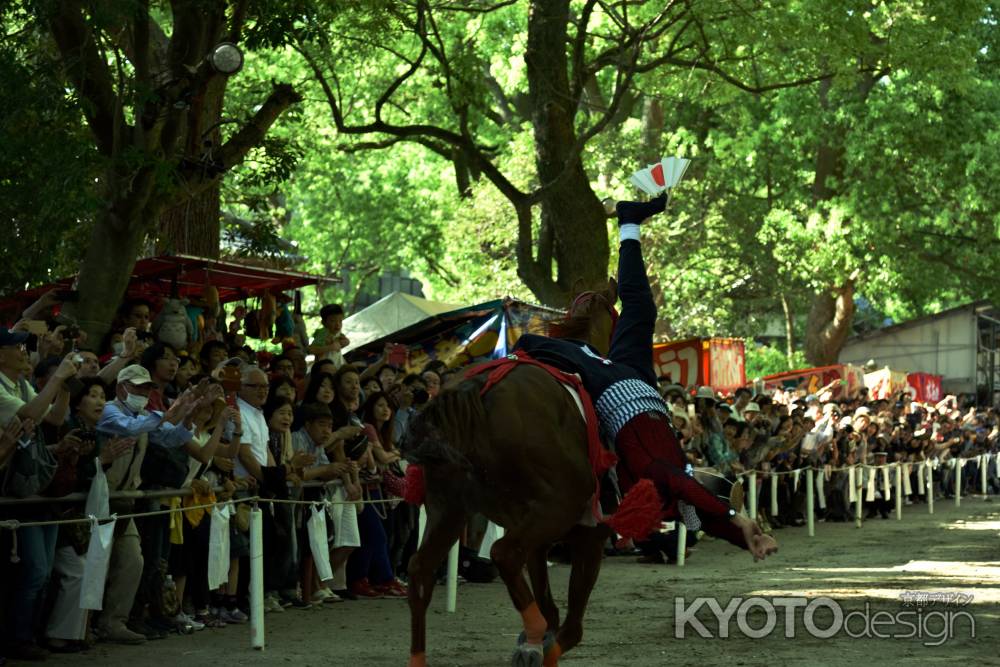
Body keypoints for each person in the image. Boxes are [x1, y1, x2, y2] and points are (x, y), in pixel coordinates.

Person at [514, 196, 776, 560]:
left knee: (535, 344)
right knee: (641, 307)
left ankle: (510, 362)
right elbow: (701, 509)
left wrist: (738, 518)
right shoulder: (667, 485)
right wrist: (747, 534)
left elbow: (693, 494)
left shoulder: (653, 471)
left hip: (609, 387)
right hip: (638, 380)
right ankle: (629, 225)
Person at [308, 304, 349, 370]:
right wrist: (330, 347)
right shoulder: (323, 334)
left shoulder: (338, 333)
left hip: (338, 365)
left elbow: (345, 341)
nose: (337, 324)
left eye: (340, 321)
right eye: (333, 321)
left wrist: (346, 342)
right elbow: (311, 350)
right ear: (324, 322)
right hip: (324, 368)